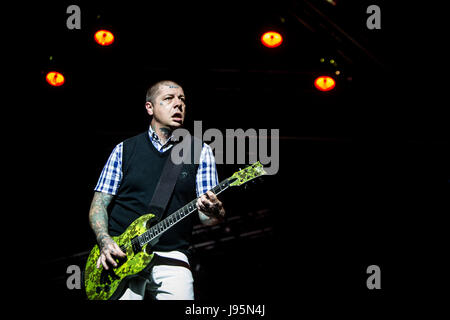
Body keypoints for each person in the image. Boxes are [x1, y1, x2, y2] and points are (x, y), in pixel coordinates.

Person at [88, 80, 225, 300]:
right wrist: (105, 241)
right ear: (150, 107)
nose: (178, 105)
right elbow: (99, 204)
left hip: (173, 256)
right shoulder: (124, 150)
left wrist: (215, 211)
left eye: (182, 100)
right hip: (121, 257)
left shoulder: (200, 151)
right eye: (169, 99)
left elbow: (207, 218)